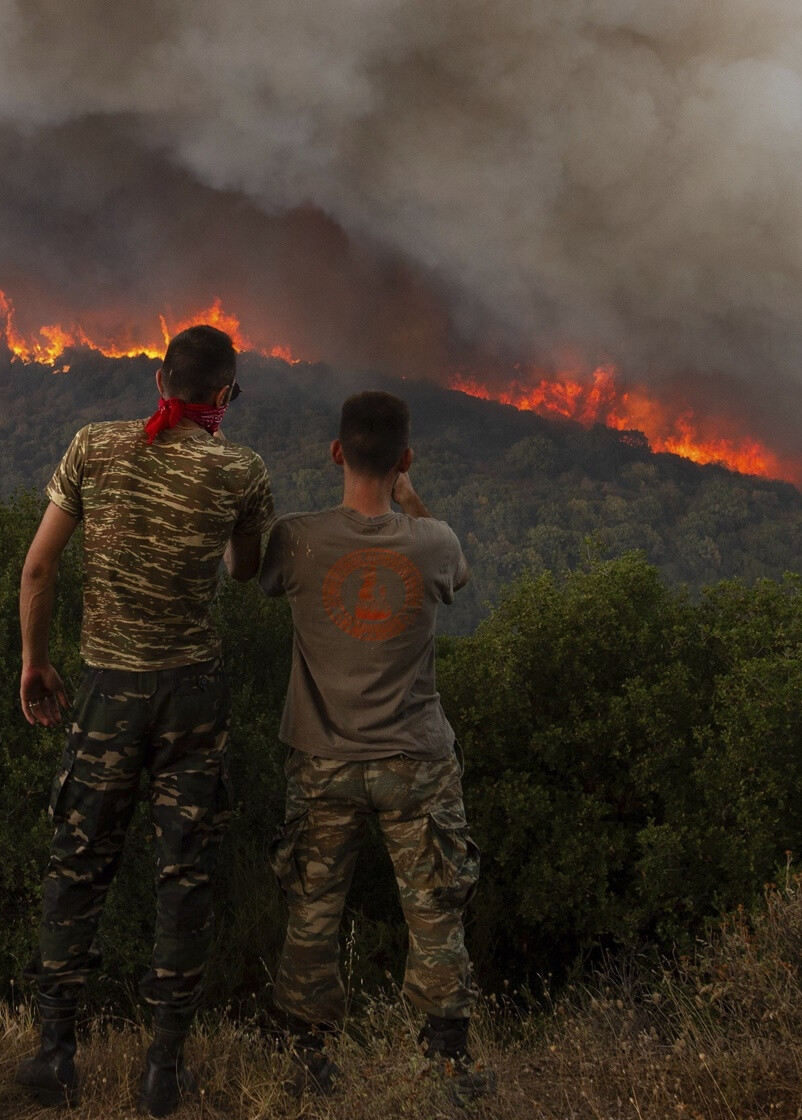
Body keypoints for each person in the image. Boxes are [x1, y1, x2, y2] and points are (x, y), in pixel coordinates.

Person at [14, 324, 274, 1116]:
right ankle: (163, 1071)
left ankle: (57, 1056)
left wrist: (34, 661)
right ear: (224, 395)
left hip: (106, 691)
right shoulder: (241, 468)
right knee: (184, 872)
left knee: (78, 863)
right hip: (191, 693)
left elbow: (38, 565)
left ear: (160, 377)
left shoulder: (92, 446)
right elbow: (246, 567)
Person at [257, 389, 490, 1105]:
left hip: (322, 759)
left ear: (336, 452)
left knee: (312, 907)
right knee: (433, 909)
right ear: (405, 460)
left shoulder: (295, 539)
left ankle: (306, 1060)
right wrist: (411, 502)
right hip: (414, 762)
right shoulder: (434, 542)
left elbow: (256, 577)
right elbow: (462, 577)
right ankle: (446, 1067)